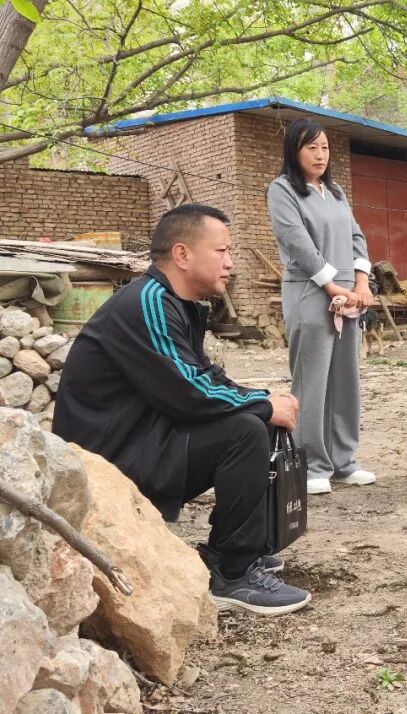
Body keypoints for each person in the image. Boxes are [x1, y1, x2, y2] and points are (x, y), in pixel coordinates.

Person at [54, 204, 312, 616]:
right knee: (246, 430)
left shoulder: (175, 303)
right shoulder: (148, 302)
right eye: (222, 251)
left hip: (143, 439)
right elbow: (189, 393)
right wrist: (263, 406)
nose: (230, 263)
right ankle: (233, 574)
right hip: (107, 461)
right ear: (182, 254)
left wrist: (263, 397)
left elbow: (203, 375)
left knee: (256, 419)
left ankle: (231, 553)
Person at [267, 119, 375, 495]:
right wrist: (331, 286)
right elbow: (297, 242)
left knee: (345, 379)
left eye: (325, 147)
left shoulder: (335, 191)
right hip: (310, 293)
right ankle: (312, 464)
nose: (320, 155)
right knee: (312, 380)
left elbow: (356, 235)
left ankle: (343, 461)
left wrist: (361, 283)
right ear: (294, 151)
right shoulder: (282, 190)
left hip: (347, 297)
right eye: (311, 147)